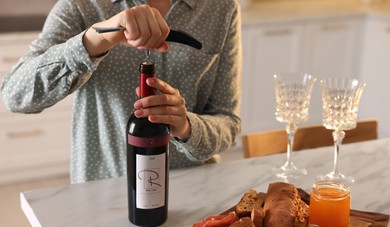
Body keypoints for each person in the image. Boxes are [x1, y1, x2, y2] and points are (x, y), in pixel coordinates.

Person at [1, 0, 242, 184]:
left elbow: (228, 122)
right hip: (104, 191)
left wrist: (187, 126)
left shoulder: (221, 7)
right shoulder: (82, 5)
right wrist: (95, 39)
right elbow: (15, 95)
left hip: (194, 190)